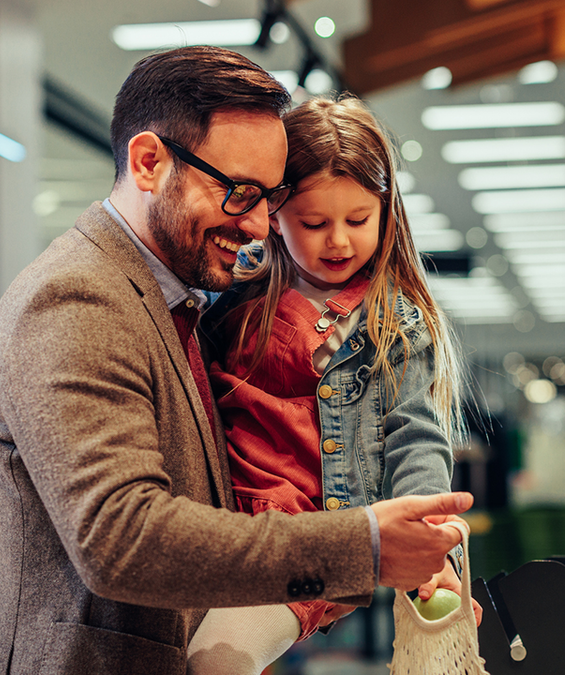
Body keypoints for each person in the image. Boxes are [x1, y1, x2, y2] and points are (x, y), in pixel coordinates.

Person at [0, 46, 471, 675]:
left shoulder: (181, 300)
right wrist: (361, 547)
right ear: (148, 162)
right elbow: (121, 540)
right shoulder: (76, 301)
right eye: (239, 193)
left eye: (270, 197)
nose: (262, 225)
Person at [185, 96, 479, 674]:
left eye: (358, 220)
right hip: (221, 529)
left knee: (214, 664)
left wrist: (433, 545)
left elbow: (415, 436)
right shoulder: (234, 293)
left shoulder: (393, 322)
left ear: (386, 212)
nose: (338, 242)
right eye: (313, 224)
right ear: (273, 214)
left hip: (319, 536)